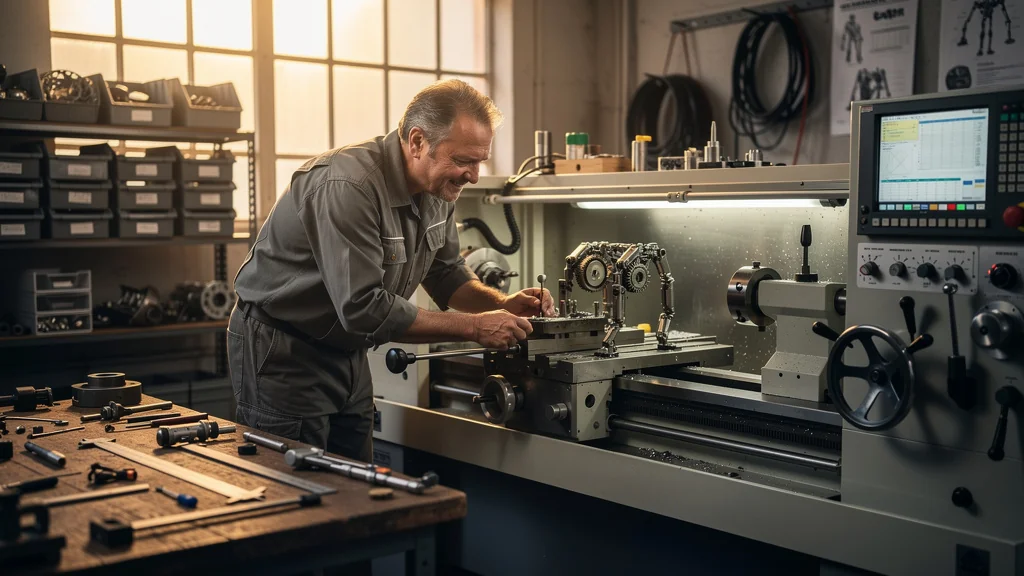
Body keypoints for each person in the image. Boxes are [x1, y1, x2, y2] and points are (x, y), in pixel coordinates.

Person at [228, 80, 554, 461]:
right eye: (463, 161)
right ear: (417, 142)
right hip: (284, 351)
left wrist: (502, 304)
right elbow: (363, 308)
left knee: (356, 485)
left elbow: (446, 272)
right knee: (297, 488)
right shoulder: (349, 186)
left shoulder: (437, 190)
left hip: (348, 351)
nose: (474, 176)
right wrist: (475, 327)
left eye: (480, 160)